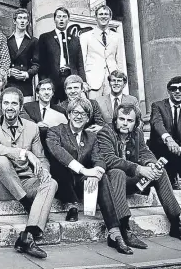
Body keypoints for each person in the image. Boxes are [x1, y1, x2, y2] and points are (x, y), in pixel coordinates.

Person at [98, 103, 181, 250]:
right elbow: (109, 159)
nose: (125, 123)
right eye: (121, 119)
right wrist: (139, 168)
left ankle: (176, 224)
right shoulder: (105, 132)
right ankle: (125, 228)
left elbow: (145, 152)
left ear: (136, 122)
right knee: (116, 172)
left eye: (129, 120)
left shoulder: (137, 134)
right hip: (113, 184)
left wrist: (151, 164)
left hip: (132, 181)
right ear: (115, 119)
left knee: (160, 171)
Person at [46, 97, 133, 254]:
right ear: (69, 114)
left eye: (84, 114)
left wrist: (97, 173)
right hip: (61, 183)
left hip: (81, 184)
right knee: (60, 165)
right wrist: (85, 171)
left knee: (104, 177)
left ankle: (114, 233)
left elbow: (99, 159)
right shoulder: (55, 131)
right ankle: (71, 204)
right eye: (75, 112)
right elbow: (58, 152)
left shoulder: (91, 137)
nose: (79, 116)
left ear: (88, 118)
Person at [0, 87, 58, 259]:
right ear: (1, 105)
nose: (10, 107)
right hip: (2, 185)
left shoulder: (32, 128)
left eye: (14, 103)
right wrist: (25, 153)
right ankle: (27, 203)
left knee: (51, 183)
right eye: (6, 103)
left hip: (26, 180)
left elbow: (41, 157)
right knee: (0, 160)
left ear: (20, 107)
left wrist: (44, 172)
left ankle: (28, 236)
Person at [37, 6, 86, 103]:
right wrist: (44, 82)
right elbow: (41, 63)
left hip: (71, 78)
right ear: (54, 19)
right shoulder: (45, 38)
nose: (61, 19)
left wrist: (83, 81)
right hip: (53, 79)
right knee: (52, 107)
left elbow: (79, 63)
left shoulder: (75, 39)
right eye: (59, 17)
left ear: (68, 19)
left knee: (72, 106)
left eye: (64, 17)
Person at [80, 5, 125, 99]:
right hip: (93, 80)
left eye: (106, 14)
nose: (103, 16)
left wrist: (120, 79)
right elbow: (82, 60)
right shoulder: (86, 36)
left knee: (112, 108)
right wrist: (83, 80)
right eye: (100, 14)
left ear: (110, 17)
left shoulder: (117, 37)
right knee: (94, 108)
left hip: (112, 79)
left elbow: (119, 59)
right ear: (96, 17)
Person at [6, 8, 39, 98]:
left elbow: (37, 63)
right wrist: (8, 71)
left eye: (25, 18)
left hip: (25, 85)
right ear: (14, 21)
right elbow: (1, 61)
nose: (22, 21)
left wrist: (28, 74)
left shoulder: (34, 41)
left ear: (28, 22)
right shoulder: (6, 40)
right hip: (10, 83)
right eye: (20, 18)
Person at [23, 79, 67, 144]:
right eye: (43, 89)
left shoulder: (60, 111)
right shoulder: (27, 107)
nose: (47, 92)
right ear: (37, 93)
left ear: (52, 93)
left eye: (49, 89)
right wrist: (36, 125)